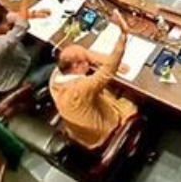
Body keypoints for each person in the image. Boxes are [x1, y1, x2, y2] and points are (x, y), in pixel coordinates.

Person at [51, 9, 141, 150]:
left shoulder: (56, 76)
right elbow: (107, 72)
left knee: (109, 90)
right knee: (135, 92)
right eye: (86, 61)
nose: (89, 61)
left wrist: (100, 59)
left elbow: (81, 51)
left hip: (82, 133)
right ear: (76, 65)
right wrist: (123, 34)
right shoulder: (80, 87)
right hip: (105, 132)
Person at [0, 1, 55, 93]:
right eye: (4, 23)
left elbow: (9, 17)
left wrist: (33, 14)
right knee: (58, 65)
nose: (7, 23)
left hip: (19, 59)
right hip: (15, 81)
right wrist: (24, 0)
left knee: (44, 44)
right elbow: (21, 26)